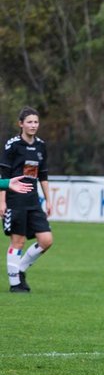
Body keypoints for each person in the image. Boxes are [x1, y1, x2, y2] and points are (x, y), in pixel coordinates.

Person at [1, 107, 54, 293]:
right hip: (15, 200)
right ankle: (15, 284)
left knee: (46, 240)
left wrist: (48, 200)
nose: (33, 125)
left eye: (36, 122)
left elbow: (44, 175)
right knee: (18, 241)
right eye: (29, 122)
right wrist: (2, 201)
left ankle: (20, 269)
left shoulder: (41, 145)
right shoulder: (12, 145)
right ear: (21, 124)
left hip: (33, 201)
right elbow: (3, 174)